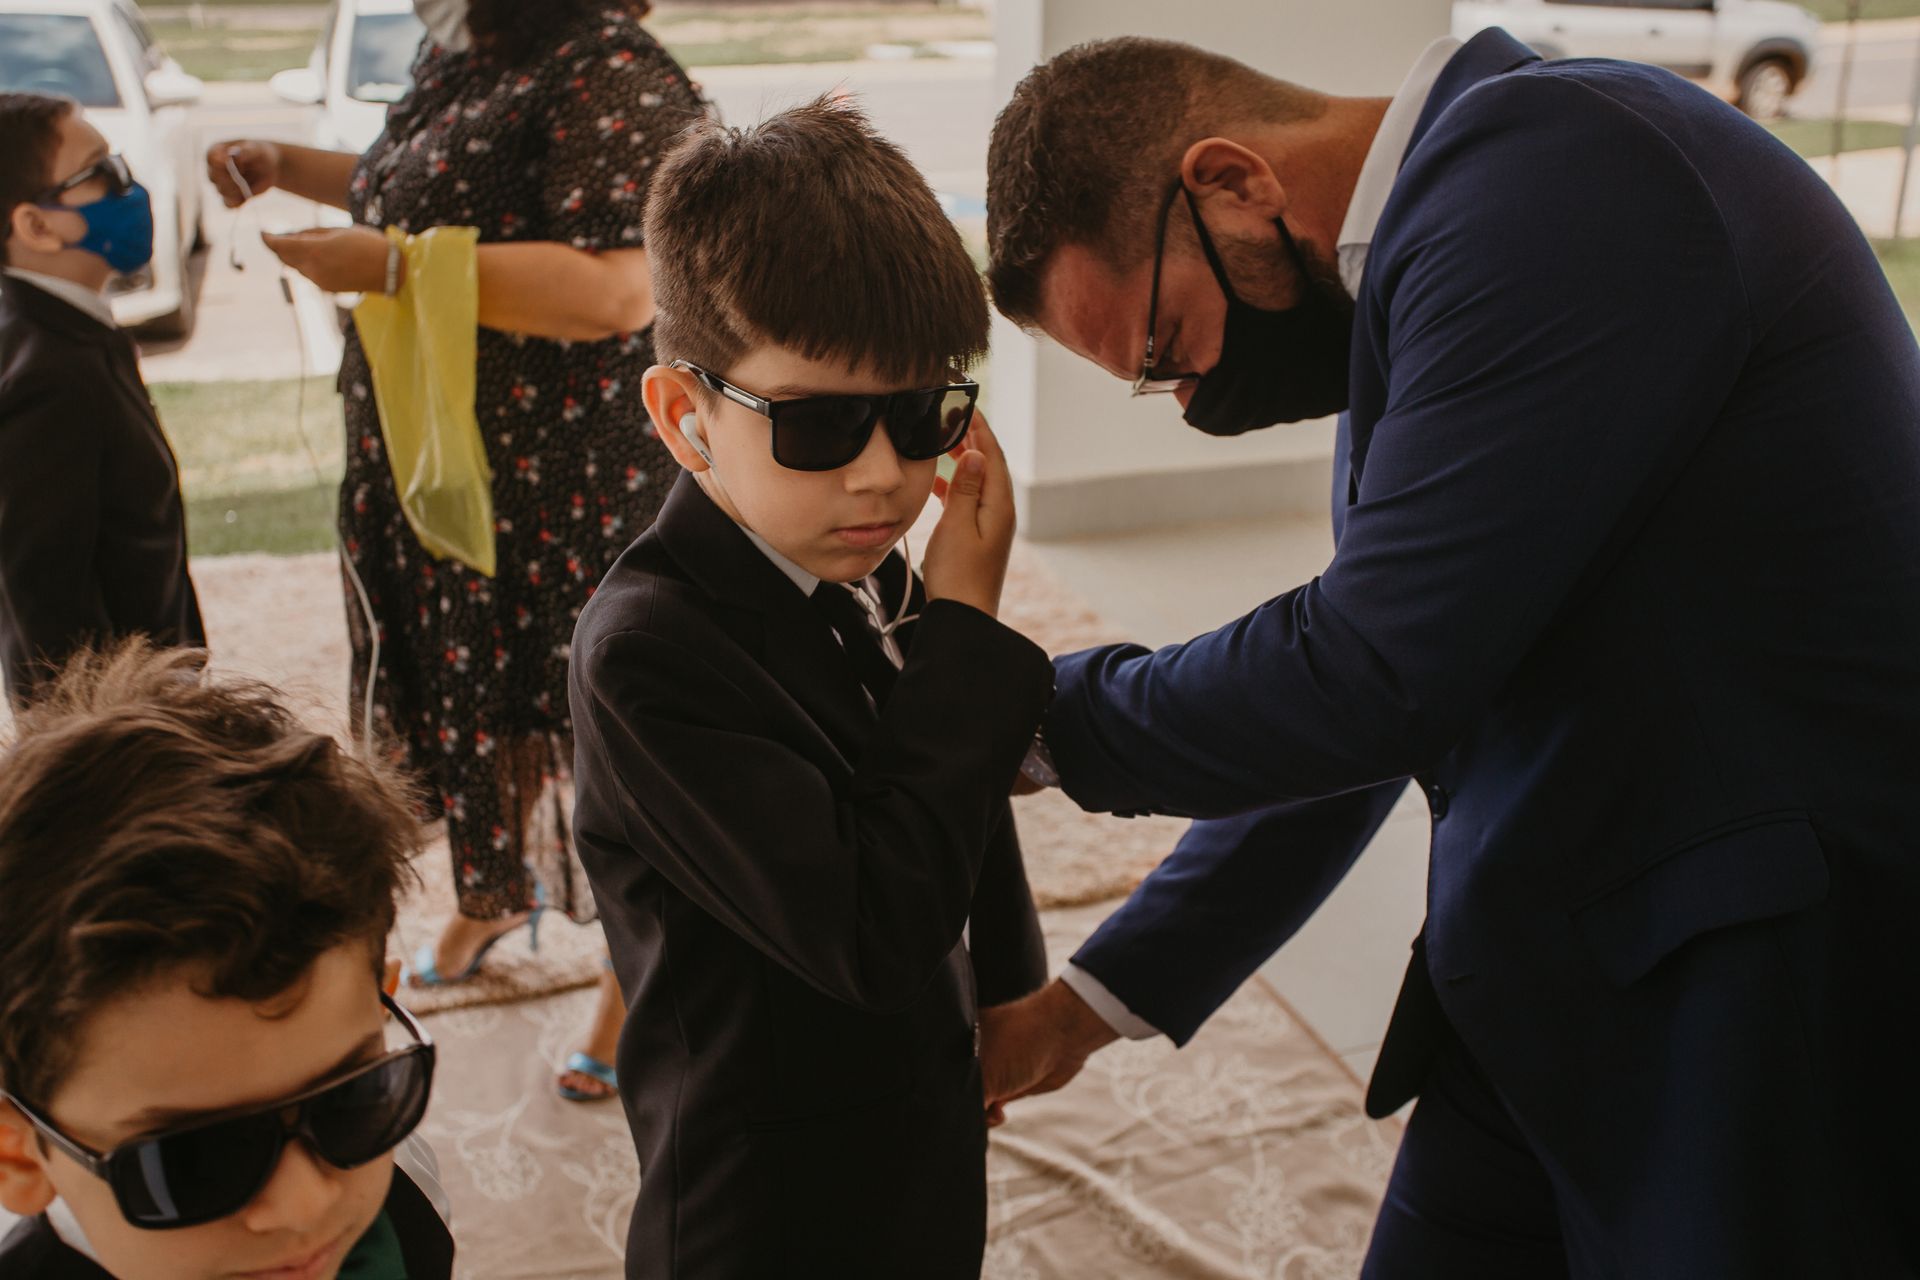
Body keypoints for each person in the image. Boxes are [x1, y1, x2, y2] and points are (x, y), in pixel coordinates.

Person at [975, 31, 1920, 1277]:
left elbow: (1370, 675)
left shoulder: (1562, 182)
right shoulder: (1449, 245)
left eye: (1167, 350)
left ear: (1233, 182)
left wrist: (1021, 717)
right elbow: (1382, 699)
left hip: (1745, 1006)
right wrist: (1082, 1010)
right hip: (1549, 970)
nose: (1195, 400)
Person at [569, 99, 1053, 1277]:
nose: (883, 475)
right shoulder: (646, 654)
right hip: (764, 1198)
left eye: (923, 412)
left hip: (916, 1131)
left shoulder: (863, 562)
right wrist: (963, 627)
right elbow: (871, 931)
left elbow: (946, 784)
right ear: (685, 416)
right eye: (820, 424)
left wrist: (1006, 981)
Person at [206, 0, 706, 1103]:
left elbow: (623, 288)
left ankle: (634, 974)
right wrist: (286, 165)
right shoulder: (462, 48)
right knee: (490, 701)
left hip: (567, 479)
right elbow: (430, 187)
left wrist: (393, 267)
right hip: (453, 456)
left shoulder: (610, 67)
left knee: (599, 725)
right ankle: (497, 887)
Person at [0, 644, 452, 1279]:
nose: (307, 1203)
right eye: (192, 1163)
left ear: (383, 1008)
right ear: (19, 1155)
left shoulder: (407, 1192)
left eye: (352, 1099)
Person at [0, 93, 203, 710]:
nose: (128, 185)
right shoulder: (50, 377)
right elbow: (47, 609)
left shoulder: (70, 331)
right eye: (101, 173)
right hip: (119, 730)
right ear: (36, 226)